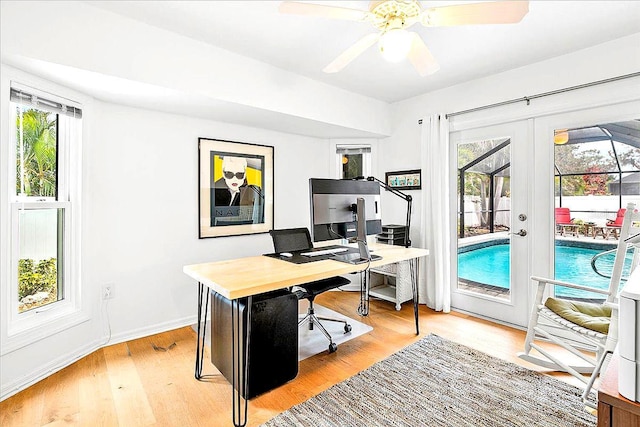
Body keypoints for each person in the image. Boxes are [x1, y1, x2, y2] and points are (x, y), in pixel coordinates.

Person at [213, 156, 263, 224]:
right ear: (223, 173)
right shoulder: (214, 192)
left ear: (245, 174)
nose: (234, 179)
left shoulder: (253, 191)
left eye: (239, 175)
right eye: (229, 174)